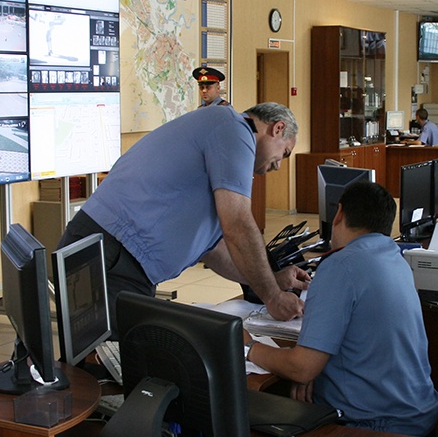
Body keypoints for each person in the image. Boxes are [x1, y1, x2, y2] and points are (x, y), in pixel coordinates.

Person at [57, 102, 307, 324]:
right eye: (284, 154)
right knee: (107, 365)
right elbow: (238, 223)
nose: (278, 165)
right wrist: (273, 297)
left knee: (110, 362)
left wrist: (271, 280)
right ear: (277, 128)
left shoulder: (221, 131)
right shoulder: (235, 129)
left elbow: (214, 250)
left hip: (114, 256)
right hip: (113, 255)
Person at [247, 181, 438, 436]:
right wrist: (318, 368)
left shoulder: (341, 266)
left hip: (377, 427)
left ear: (339, 214)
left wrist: (250, 347)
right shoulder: (394, 258)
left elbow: (301, 368)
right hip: (414, 414)